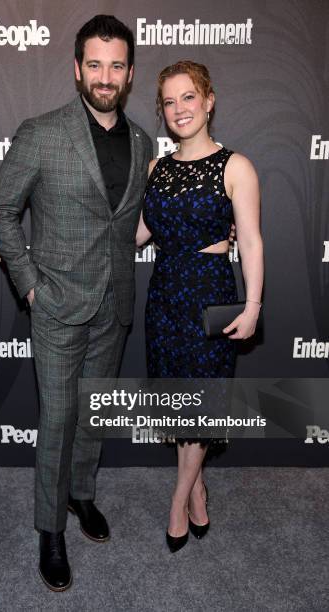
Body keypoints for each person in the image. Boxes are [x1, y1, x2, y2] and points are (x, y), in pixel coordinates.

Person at [0, 15, 152, 590]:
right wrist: (29, 282)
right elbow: (1, 212)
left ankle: (82, 495)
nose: (105, 77)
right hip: (56, 303)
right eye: (95, 64)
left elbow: (127, 222)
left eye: (116, 65)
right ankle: (49, 530)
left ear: (130, 73)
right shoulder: (42, 131)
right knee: (57, 419)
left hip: (115, 306)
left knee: (92, 414)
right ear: (76, 68)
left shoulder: (142, 141)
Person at [136, 60, 263, 552]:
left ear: (208, 100)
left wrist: (252, 305)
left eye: (188, 97)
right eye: (169, 101)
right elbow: (140, 234)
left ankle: (177, 500)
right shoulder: (155, 169)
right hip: (165, 294)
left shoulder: (236, 167)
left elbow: (250, 241)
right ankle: (198, 487)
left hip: (210, 293)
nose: (179, 109)